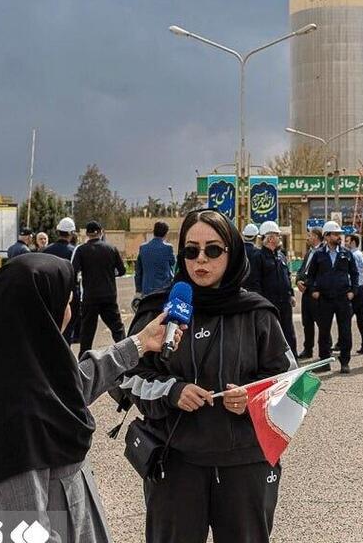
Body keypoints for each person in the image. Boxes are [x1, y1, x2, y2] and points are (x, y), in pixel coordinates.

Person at [0, 253, 179, 543]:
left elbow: (70, 388)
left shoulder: (16, 373)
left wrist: (140, 343)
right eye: (66, 301)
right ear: (40, 311)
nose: (70, 310)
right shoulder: (16, 419)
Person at [121, 208, 295, 543]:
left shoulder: (258, 313)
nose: (201, 260)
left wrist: (251, 398)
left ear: (232, 251)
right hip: (176, 463)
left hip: (245, 464)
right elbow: (128, 379)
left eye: (213, 250)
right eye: (191, 250)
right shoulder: (158, 312)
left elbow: (288, 382)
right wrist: (172, 391)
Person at [304, 221, 358, 373]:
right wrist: (313, 289)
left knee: (345, 331)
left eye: (339, 234)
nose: (338, 236)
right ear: (327, 236)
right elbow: (311, 275)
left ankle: (345, 361)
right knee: (324, 331)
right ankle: (324, 361)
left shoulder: (346, 253)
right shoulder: (319, 254)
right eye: (335, 234)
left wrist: (353, 291)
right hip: (325, 299)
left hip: (342, 298)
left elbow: (354, 274)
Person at [72, 221, 127, 351]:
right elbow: (122, 271)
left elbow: (74, 270)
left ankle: (84, 361)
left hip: (90, 297)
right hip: (109, 296)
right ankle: (126, 353)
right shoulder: (111, 249)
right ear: (101, 232)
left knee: (87, 331)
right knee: (117, 329)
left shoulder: (81, 250)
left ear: (87, 233)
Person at [248, 220, 297, 351]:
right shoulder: (258, 257)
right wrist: (262, 303)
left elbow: (287, 275)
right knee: (271, 336)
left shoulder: (281, 256)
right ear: (270, 238)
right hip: (269, 304)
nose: (280, 238)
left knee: (289, 333)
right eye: (277, 235)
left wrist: (291, 294)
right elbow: (255, 282)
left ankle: (293, 362)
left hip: (285, 303)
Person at [44, 217, 80, 343]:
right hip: (69, 293)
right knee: (67, 330)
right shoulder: (75, 250)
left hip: (50, 293)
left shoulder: (47, 250)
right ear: (71, 233)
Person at [295, 228, 323, 359]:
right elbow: (302, 270)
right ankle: (308, 349)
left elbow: (320, 274)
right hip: (305, 293)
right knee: (307, 322)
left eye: (310, 235)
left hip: (316, 294)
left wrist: (308, 285)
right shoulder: (309, 252)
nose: (308, 238)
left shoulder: (323, 252)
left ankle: (324, 350)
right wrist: (298, 281)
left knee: (322, 323)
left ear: (317, 237)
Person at [135, 221, 176, 299]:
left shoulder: (143, 247)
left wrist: (138, 290)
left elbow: (138, 271)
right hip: (164, 290)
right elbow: (173, 263)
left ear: (153, 232)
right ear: (166, 233)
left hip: (147, 290)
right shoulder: (168, 248)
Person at [346, 234, 363, 357]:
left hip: (355, 290)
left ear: (353, 242)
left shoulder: (352, 256)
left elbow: (352, 274)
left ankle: (343, 344)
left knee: (345, 318)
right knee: (362, 319)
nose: (345, 243)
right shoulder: (362, 256)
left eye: (347, 241)